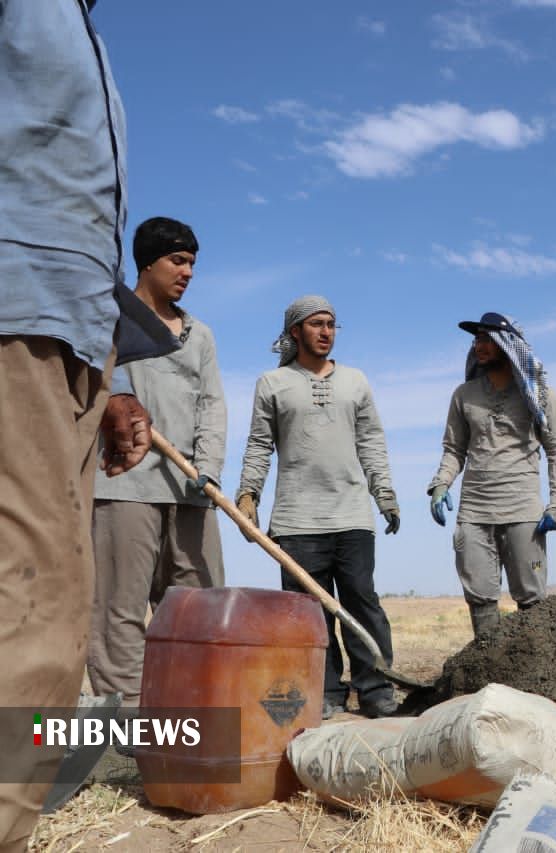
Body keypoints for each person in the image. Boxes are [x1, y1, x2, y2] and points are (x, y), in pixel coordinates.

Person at [0, 2, 178, 846]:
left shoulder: (83, 34)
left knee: (46, 604)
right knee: (41, 601)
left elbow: (64, 225)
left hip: (66, 338)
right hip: (16, 323)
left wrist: (107, 385)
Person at [235, 296, 401, 720]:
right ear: (295, 332)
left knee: (362, 603)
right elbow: (259, 444)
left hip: (351, 514)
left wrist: (384, 494)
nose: (326, 331)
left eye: (331, 324)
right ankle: (324, 689)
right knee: (308, 612)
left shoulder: (356, 381)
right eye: (316, 324)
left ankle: (375, 688)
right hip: (295, 518)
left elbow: (372, 443)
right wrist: (248, 494)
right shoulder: (272, 384)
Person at [88, 217, 227, 707]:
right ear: (146, 262)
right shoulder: (109, 318)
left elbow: (212, 405)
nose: (187, 271)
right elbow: (92, 384)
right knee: (118, 609)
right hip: (123, 485)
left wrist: (209, 467)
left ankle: (187, 709)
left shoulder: (199, 335)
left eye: (192, 262)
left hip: (191, 488)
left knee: (198, 608)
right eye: (177, 260)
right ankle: (124, 715)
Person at [428, 312, 556, 642]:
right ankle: (489, 672)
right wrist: (440, 484)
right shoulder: (463, 395)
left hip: (524, 510)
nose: (479, 345)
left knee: (531, 597)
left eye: (487, 339)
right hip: (475, 511)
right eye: (476, 339)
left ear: (508, 346)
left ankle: (535, 674)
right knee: (479, 595)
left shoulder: (540, 394)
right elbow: (454, 449)